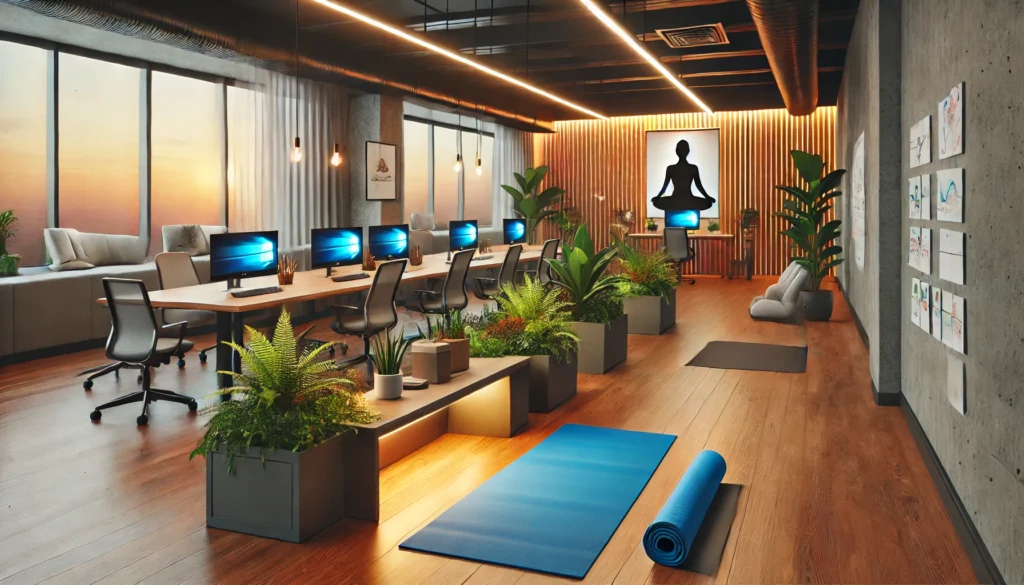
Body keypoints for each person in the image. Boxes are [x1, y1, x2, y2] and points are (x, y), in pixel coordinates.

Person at [652, 140, 716, 212]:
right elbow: (699, 186)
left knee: (657, 202)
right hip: (685, 200)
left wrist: (658, 197)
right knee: (708, 203)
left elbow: (664, 187)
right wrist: (707, 197)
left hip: (678, 200)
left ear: (676, 151)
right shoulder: (692, 168)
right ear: (688, 151)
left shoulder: (671, 168)